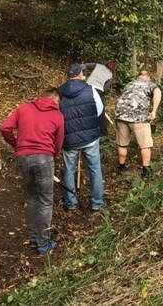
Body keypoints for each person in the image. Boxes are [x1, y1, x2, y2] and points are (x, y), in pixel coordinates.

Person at [0, 88, 64, 255]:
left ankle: (34, 238)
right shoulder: (57, 116)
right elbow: (58, 143)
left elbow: (5, 128)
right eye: (58, 102)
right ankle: (44, 243)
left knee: (32, 197)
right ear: (55, 99)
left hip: (23, 158)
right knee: (46, 200)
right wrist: (51, 155)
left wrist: (16, 144)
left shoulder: (23, 108)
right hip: (44, 158)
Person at [58, 63, 105, 212]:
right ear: (80, 74)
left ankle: (71, 204)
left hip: (69, 139)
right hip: (90, 137)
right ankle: (97, 203)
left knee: (68, 170)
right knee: (95, 169)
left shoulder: (58, 92)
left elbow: (56, 114)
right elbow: (99, 110)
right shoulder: (91, 89)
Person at [114, 70, 162, 178]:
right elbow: (158, 92)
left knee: (122, 143)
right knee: (145, 145)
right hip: (139, 117)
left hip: (121, 115)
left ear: (138, 76)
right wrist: (154, 111)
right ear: (149, 77)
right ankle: (146, 170)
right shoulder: (150, 84)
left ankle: (121, 167)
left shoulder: (129, 84)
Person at [85, 61, 117, 136]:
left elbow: (85, 66)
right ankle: (104, 132)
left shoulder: (97, 65)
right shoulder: (110, 75)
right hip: (98, 90)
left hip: (87, 87)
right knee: (101, 110)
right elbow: (105, 88)